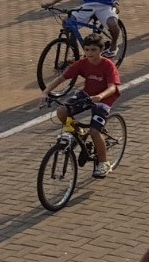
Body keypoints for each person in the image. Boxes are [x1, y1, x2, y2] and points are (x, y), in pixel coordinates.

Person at [37, 32, 120, 177]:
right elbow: (62, 78)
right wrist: (46, 92)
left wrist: (100, 96)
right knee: (62, 112)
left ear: (101, 50)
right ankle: (79, 132)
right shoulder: (82, 63)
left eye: (93, 50)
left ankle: (104, 163)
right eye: (86, 50)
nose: (89, 53)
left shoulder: (108, 65)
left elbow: (112, 87)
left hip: (105, 98)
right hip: (87, 94)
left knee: (94, 132)